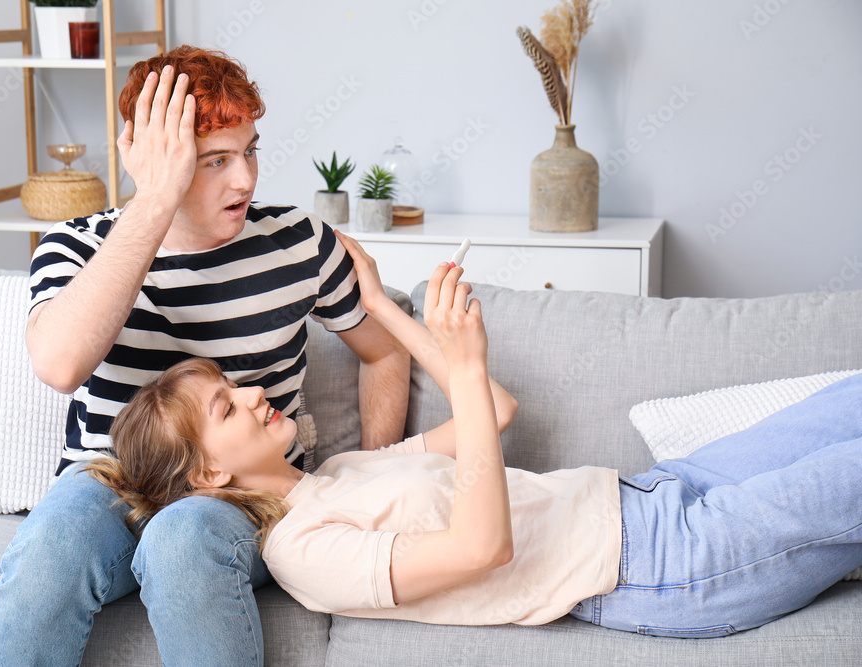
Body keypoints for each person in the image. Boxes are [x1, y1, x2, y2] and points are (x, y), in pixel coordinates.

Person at [90, 233, 862, 639]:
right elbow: (480, 548)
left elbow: (490, 410)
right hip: (664, 563)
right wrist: (462, 363)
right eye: (226, 407)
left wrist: (386, 308)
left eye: (232, 385)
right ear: (208, 478)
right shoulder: (305, 553)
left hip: (661, 490)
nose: (253, 392)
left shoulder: (341, 472)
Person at [0, 47, 410, 666]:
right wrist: (154, 201)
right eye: (215, 162)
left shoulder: (299, 244)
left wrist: (369, 473)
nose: (245, 179)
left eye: (250, 151)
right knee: (52, 545)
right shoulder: (75, 245)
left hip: (243, 490)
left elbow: (385, 351)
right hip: (111, 480)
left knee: (183, 539)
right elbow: (59, 363)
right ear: (152, 159)